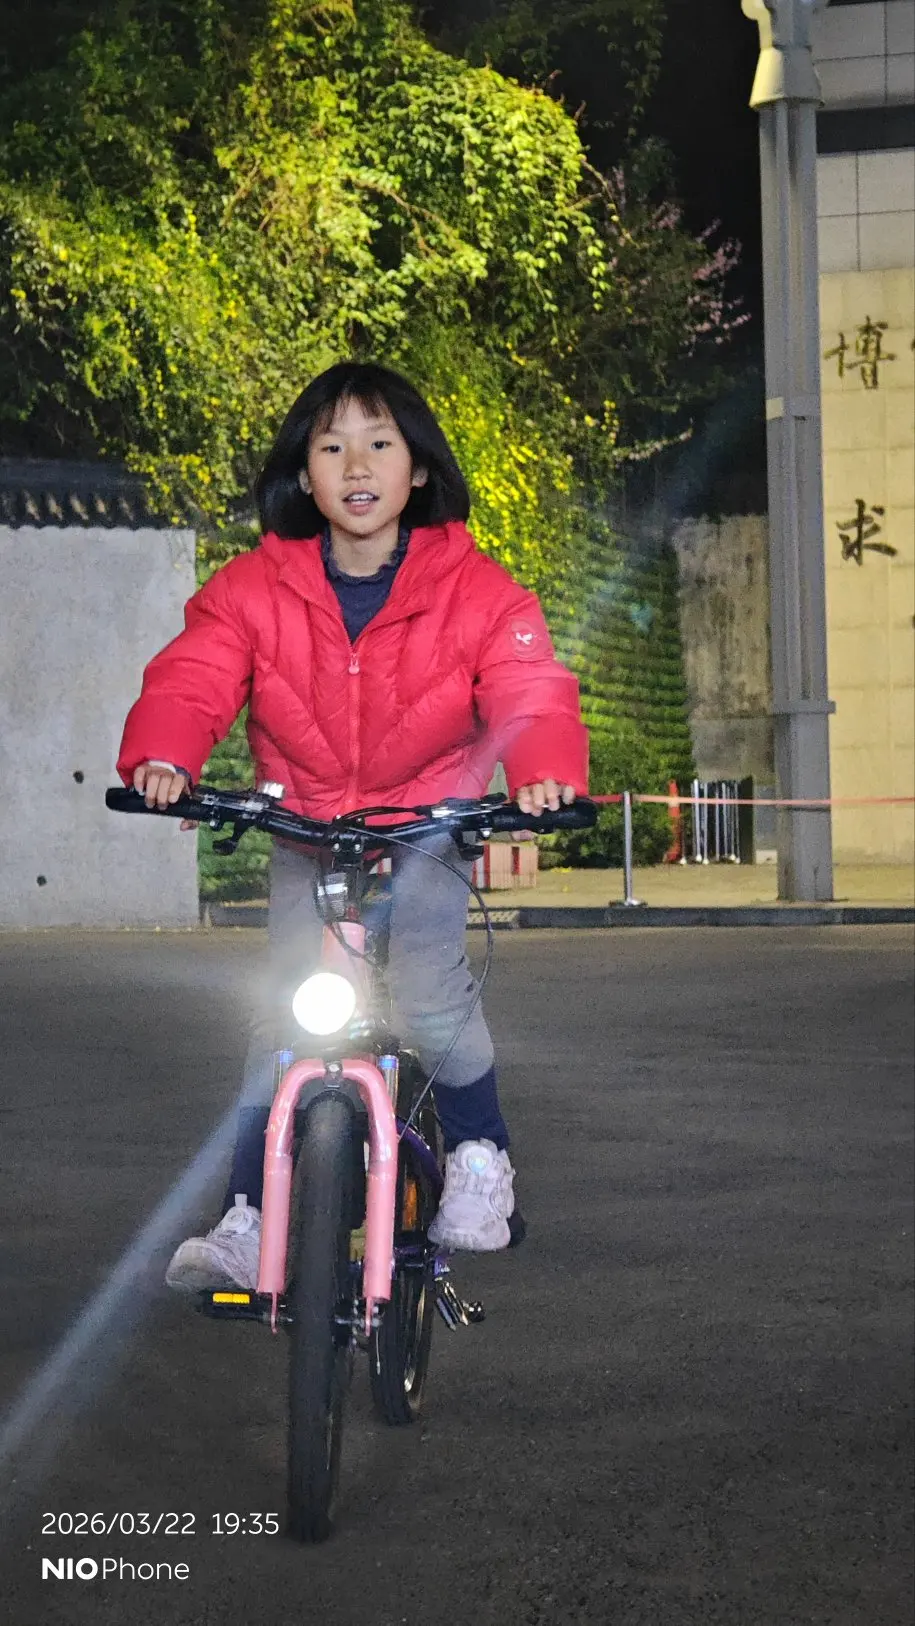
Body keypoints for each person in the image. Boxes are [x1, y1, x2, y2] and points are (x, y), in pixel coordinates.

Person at [117, 361, 588, 1293]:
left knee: (430, 988)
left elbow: (529, 688)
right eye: (331, 447)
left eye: (380, 444)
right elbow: (194, 676)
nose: (357, 465)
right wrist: (166, 755)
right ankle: (250, 1214)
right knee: (281, 1015)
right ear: (304, 474)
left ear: (419, 469)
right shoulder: (252, 588)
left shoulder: (478, 589)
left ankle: (481, 1159)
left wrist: (540, 775)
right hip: (309, 825)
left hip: (425, 826)